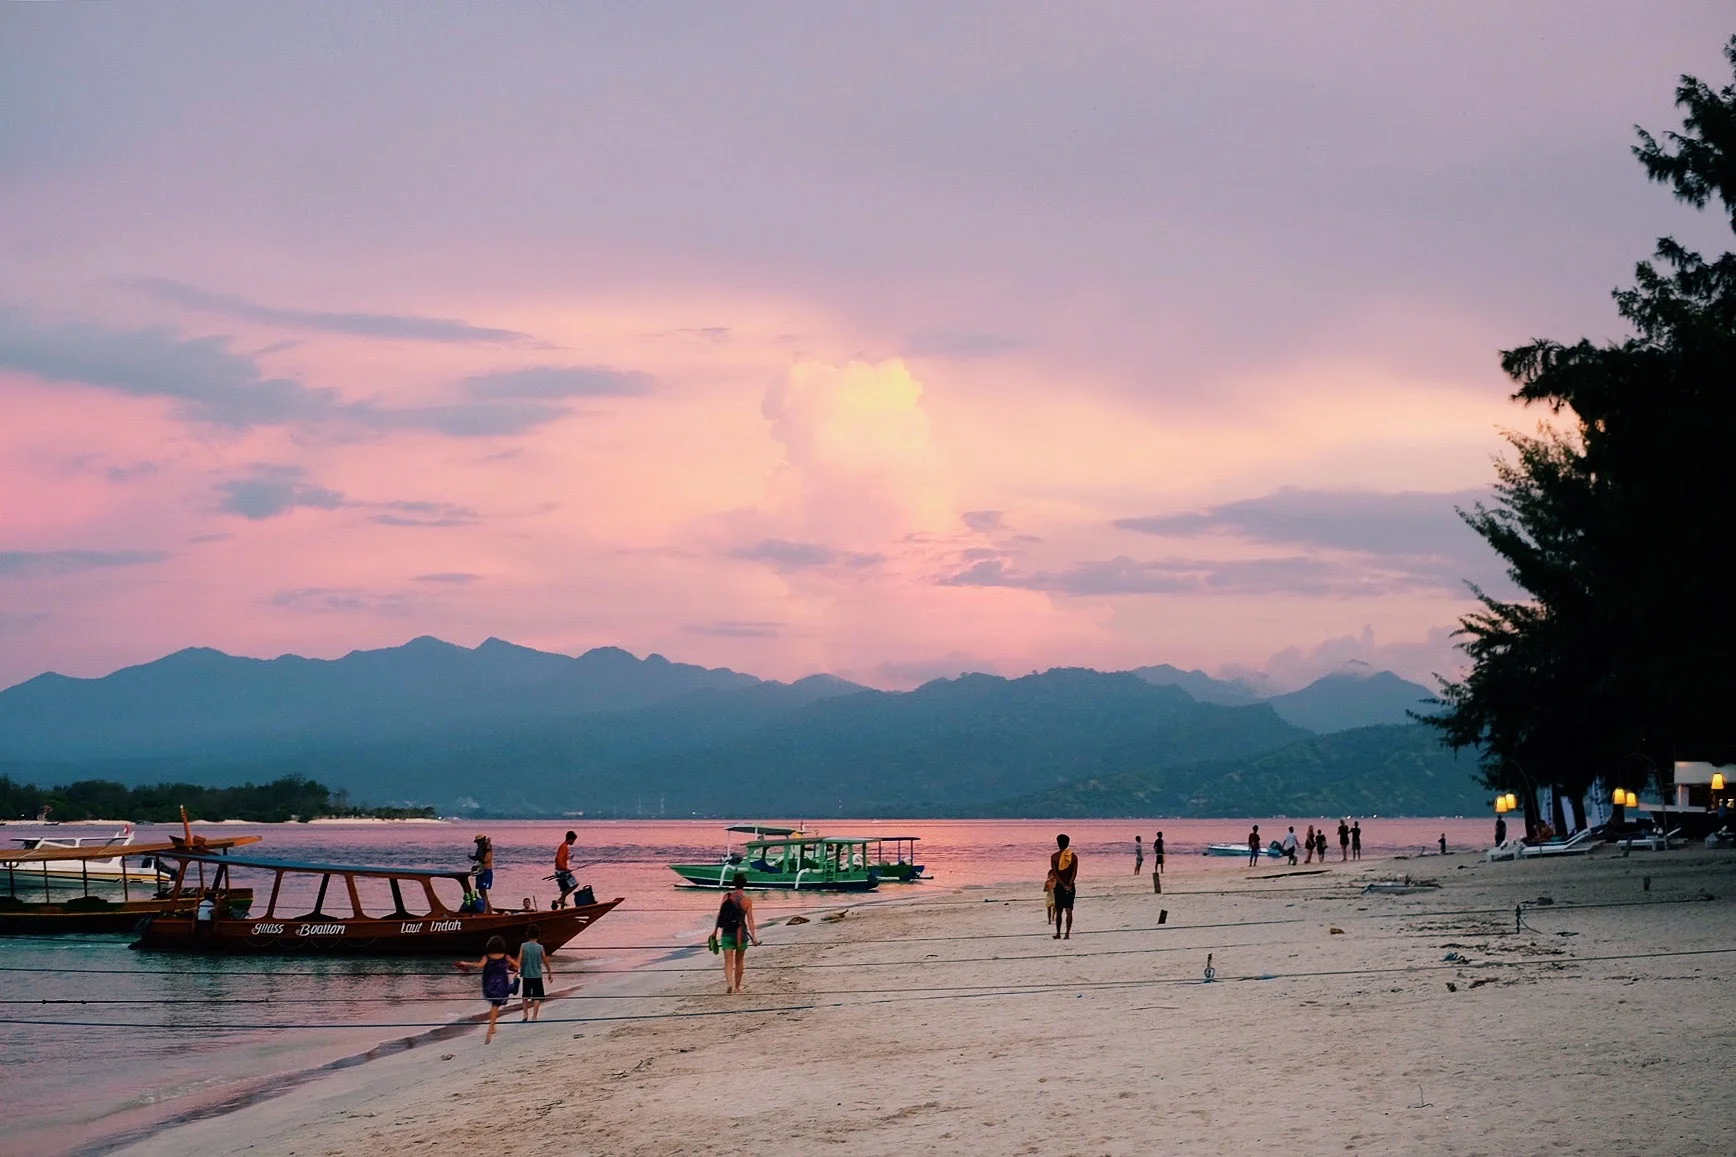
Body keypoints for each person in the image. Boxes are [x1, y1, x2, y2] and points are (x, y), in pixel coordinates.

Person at [456, 934, 517, 1044]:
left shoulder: (487, 957)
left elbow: (479, 965)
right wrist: (510, 966)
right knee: (495, 1005)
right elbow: (517, 965)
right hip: (501, 984)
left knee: (494, 1005)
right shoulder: (505, 956)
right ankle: (491, 1027)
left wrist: (465, 963)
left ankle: (493, 1026)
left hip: (489, 983)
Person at [715, 872, 759, 994]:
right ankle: (737, 987)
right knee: (739, 961)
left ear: (733, 884)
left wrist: (714, 932)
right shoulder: (747, 901)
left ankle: (729, 983)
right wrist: (754, 937)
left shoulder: (726, 897)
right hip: (741, 934)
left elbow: (720, 915)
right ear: (744, 884)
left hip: (727, 932)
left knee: (728, 961)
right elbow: (750, 919)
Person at [516, 925, 550, 1022]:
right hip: (537, 975)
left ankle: (525, 1014)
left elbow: (519, 958)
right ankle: (534, 1016)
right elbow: (545, 960)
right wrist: (549, 972)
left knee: (525, 995)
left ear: (527, 934)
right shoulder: (540, 947)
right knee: (537, 996)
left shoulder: (523, 946)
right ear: (538, 935)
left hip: (526, 974)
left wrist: (515, 970)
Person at [1048, 834, 1078, 939]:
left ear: (1058, 843)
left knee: (1059, 911)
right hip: (1070, 886)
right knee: (1069, 910)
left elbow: (1055, 873)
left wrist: (1063, 884)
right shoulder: (1073, 857)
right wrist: (1069, 884)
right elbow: (1074, 872)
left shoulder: (1054, 857)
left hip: (1059, 887)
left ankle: (1058, 933)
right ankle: (1067, 934)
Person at [468, 834, 494, 911]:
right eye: (477, 842)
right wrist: (472, 857)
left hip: (486, 871)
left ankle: (486, 910)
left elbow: (486, 860)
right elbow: (477, 858)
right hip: (480, 871)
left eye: (479, 842)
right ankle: (489, 907)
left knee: (483, 890)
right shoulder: (479, 849)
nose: (478, 843)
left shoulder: (488, 848)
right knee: (480, 891)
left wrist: (479, 858)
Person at [554, 830, 579, 908]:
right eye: (574, 840)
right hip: (562, 871)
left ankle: (562, 908)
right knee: (575, 884)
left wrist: (569, 858)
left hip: (560, 870)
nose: (574, 842)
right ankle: (561, 899)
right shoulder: (564, 847)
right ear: (570, 839)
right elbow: (558, 859)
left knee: (565, 889)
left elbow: (562, 859)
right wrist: (565, 869)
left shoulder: (564, 847)